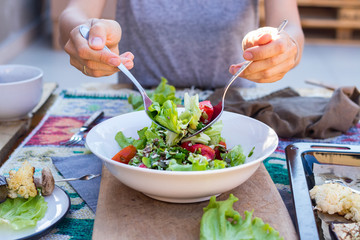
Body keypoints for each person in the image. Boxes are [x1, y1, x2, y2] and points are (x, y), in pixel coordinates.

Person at [59, 0, 304, 89]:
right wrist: (85, 33)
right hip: (137, 109)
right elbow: (75, 13)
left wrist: (286, 47)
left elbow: (290, 27)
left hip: (234, 108)